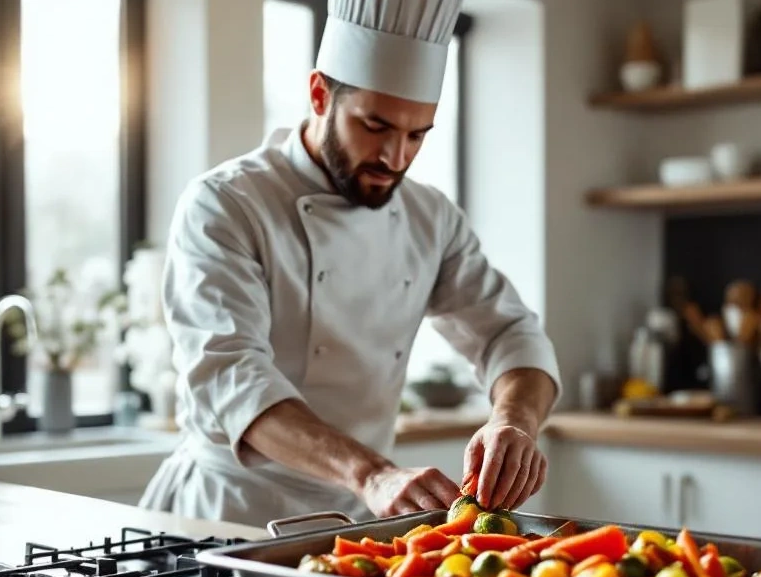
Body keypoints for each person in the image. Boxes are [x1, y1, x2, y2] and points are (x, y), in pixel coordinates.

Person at [138, 0, 560, 528]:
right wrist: (371, 474)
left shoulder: (430, 218)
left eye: (416, 135)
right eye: (375, 126)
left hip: (360, 518)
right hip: (230, 512)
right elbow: (234, 379)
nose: (395, 157)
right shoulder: (227, 203)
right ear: (319, 94)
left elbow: (509, 333)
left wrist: (514, 421)